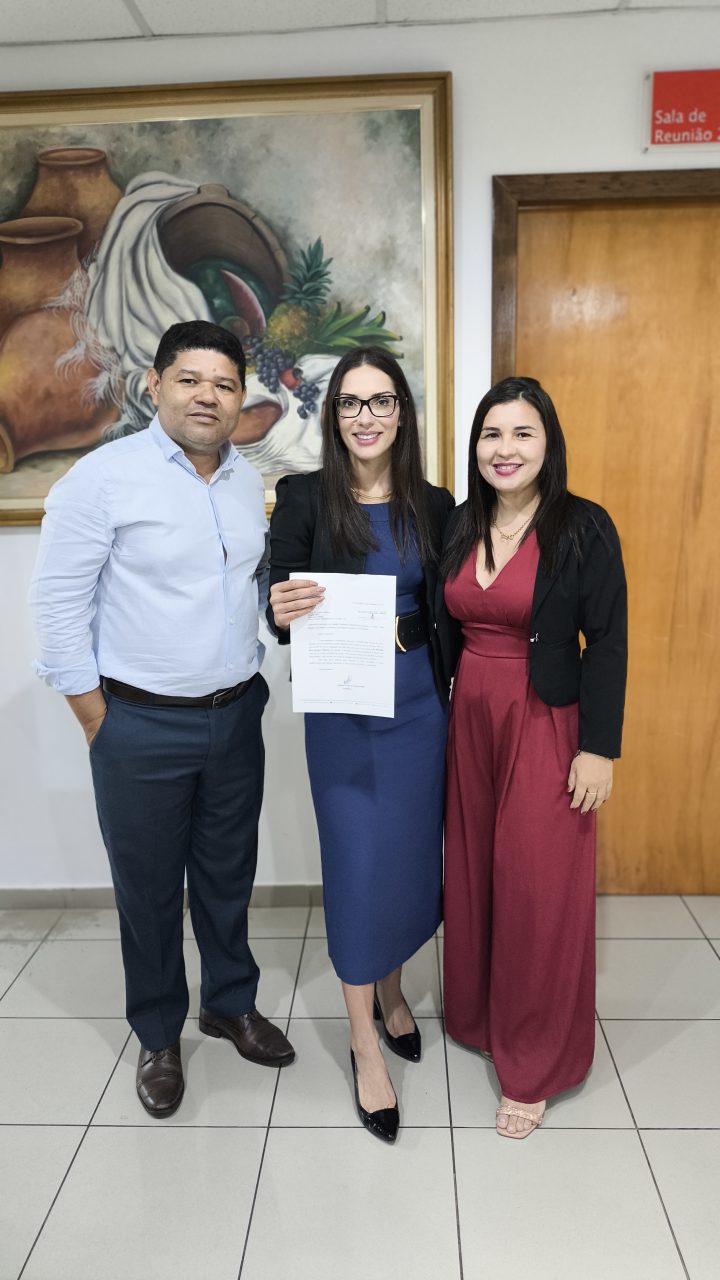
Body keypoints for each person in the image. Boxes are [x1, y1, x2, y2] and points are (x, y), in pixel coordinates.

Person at [29, 320, 295, 1119]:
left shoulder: (245, 481)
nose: (207, 396)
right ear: (155, 385)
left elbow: (244, 587)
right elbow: (57, 606)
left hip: (235, 716)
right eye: (190, 379)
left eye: (224, 383)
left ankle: (229, 1004)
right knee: (147, 891)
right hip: (137, 724)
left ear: (240, 396)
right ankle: (157, 1034)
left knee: (227, 874)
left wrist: (280, 610)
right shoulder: (102, 479)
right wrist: (95, 719)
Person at [267, 347, 456, 1143]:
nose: (366, 416)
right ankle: (363, 1042)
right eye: (350, 402)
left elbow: (452, 604)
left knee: (408, 859)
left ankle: (392, 990)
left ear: (402, 413)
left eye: (381, 401)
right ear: (332, 414)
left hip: (419, 707)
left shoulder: (435, 503)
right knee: (355, 866)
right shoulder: (304, 497)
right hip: (343, 713)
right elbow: (278, 601)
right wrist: (280, 606)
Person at [441, 376, 627, 1138]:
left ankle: (536, 1062)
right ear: (476, 446)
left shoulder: (583, 528)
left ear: (548, 443)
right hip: (470, 720)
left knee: (536, 888)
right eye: (492, 434)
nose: (505, 449)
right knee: (475, 874)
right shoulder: (461, 523)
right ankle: (483, 1016)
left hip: (545, 717)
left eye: (523, 433)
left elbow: (607, 642)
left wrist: (599, 749)